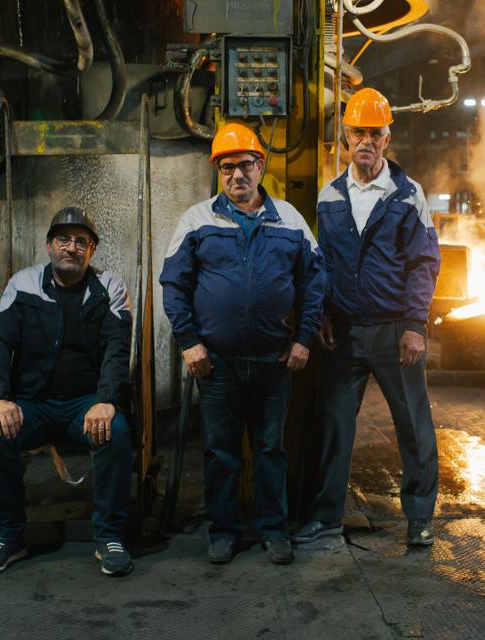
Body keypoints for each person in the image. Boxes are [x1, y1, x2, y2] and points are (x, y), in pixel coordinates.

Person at [159, 122, 326, 565]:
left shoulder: (289, 219)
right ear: (218, 171)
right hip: (217, 363)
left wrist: (304, 338)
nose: (237, 175)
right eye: (227, 167)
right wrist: (190, 342)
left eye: (245, 165)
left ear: (260, 166)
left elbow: (315, 282)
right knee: (221, 452)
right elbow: (173, 285)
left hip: (274, 361)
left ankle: (274, 530)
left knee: (271, 449)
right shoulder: (197, 220)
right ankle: (223, 531)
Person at [296, 87, 441, 548]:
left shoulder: (407, 194)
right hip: (343, 331)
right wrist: (322, 313)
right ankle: (326, 517)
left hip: (395, 329)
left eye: (375, 134)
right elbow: (322, 262)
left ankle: (419, 518)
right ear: (345, 136)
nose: (366, 141)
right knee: (333, 425)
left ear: (386, 139)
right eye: (358, 132)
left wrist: (415, 325)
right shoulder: (330, 196)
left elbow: (424, 262)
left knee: (413, 424)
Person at [0, 207, 135, 577]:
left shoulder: (109, 287)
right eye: (63, 239)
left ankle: (109, 536)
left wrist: (106, 400)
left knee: (116, 431)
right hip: (33, 403)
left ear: (91, 250)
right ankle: (9, 536)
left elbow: (117, 348)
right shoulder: (24, 284)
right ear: (49, 246)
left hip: (86, 403)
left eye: (81, 241)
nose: (71, 247)